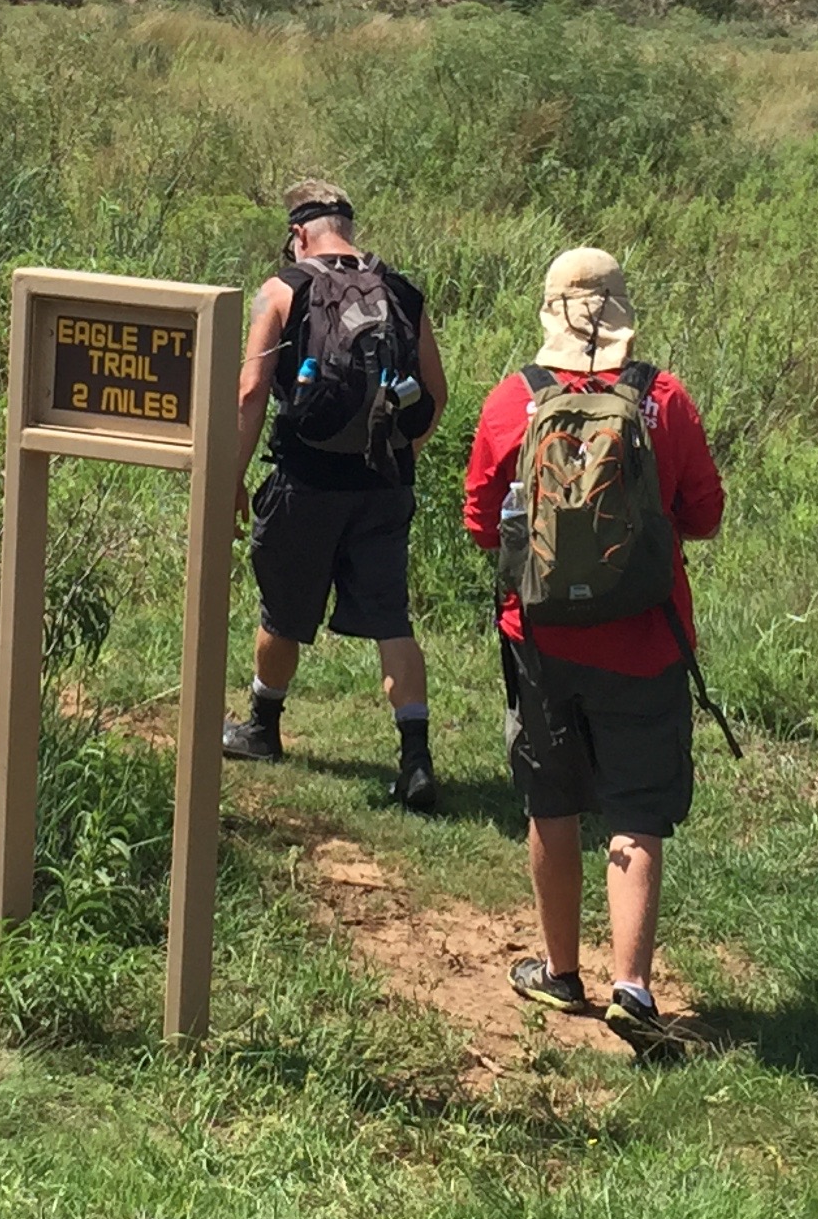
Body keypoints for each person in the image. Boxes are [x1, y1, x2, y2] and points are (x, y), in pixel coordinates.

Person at [461, 246, 724, 1055]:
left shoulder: (515, 400)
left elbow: (479, 523)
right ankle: (635, 989)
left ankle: (561, 971)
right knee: (636, 810)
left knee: (552, 798)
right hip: (645, 639)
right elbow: (706, 514)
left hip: (540, 638)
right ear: (619, 314)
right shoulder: (664, 399)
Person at [220, 180, 448, 812]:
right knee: (391, 620)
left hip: (306, 480)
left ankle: (264, 726)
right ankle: (416, 759)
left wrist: (232, 478)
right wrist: (395, 458)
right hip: (384, 485)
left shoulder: (283, 289)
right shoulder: (400, 290)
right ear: (349, 227)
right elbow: (437, 393)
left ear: (299, 234)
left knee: (282, 610)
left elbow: (250, 391)